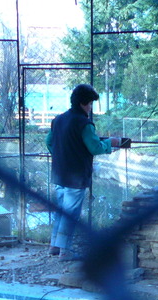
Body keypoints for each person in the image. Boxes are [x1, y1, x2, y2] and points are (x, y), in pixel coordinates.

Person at [45, 84, 122, 260]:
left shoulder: (58, 120)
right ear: (83, 103)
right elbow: (94, 147)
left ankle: (54, 246)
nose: (90, 108)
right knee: (70, 213)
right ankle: (64, 251)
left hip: (59, 173)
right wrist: (110, 142)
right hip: (76, 177)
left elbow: (49, 142)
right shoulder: (84, 123)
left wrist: (61, 156)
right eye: (90, 104)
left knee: (61, 211)